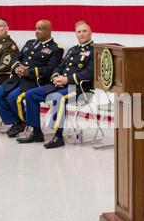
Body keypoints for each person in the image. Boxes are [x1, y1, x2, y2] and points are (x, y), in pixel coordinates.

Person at [17, 20, 94, 149]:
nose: (81, 34)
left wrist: (66, 80)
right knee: (31, 94)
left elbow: (89, 73)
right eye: (79, 32)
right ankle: (36, 132)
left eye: (84, 31)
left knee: (58, 97)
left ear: (91, 32)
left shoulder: (95, 51)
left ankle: (58, 136)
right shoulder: (73, 50)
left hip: (79, 88)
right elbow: (59, 66)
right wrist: (56, 76)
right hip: (60, 85)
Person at [0, 20, 64, 137]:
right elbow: (16, 58)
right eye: (36, 29)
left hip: (34, 82)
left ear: (49, 31)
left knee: (13, 97)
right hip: (17, 79)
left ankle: (21, 123)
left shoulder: (56, 49)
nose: (37, 31)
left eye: (40, 29)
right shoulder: (30, 43)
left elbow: (50, 69)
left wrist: (28, 72)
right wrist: (16, 67)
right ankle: (17, 121)